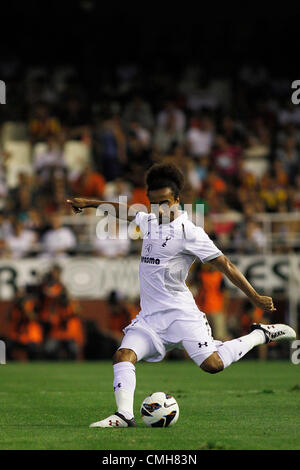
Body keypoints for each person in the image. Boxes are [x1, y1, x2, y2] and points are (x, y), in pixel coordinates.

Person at [67, 163, 296, 428]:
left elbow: (226, 265)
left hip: (181, 315)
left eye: (164, 202)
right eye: (153, 203)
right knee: (123, 356)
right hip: (150, 318)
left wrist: (255, 297)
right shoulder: (149, 219)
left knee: (212, 364)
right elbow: (124, 211)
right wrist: (89, 203)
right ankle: (123, 416)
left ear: (177, 199)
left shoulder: (190, 233)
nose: (158, 209)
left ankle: (260, 334)